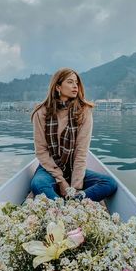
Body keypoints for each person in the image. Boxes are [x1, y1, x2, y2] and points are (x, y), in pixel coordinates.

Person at [30, 68, 117, 202]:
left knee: (109, 183)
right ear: (58, 87)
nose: (75, 86)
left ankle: (74, 202)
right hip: (49, 168)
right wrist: (61, 181)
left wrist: (75, 187)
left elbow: (81, 151)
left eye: (76, 83)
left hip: (73, 167)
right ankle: (64, 207)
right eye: (70, 82)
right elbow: (41, 151)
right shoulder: (41, 113)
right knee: (38, 184)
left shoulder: (84, 111)